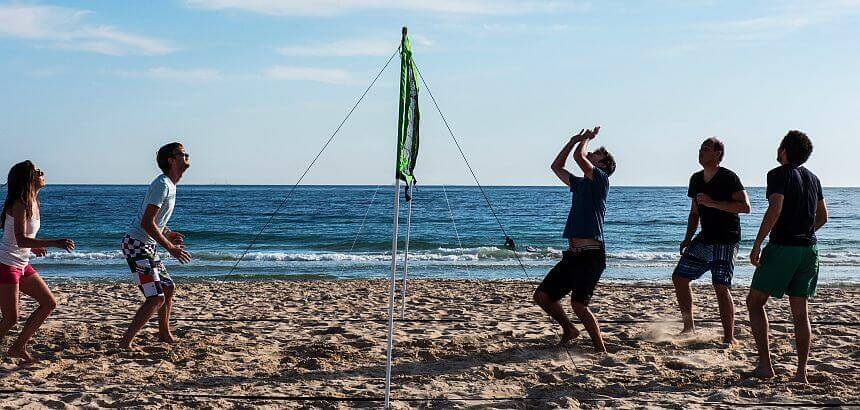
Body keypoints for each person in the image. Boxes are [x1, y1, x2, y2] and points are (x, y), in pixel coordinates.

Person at [747, 130, 827, 383]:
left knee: (755, 302)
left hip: (784, 248)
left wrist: (758, 243)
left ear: (783, 150)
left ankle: (765, 366)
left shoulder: (778, 173)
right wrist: (804, 232)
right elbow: (823, 216)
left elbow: (776, 207)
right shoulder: (814, 178)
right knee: (800, 313)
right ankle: (801, 373)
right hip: (809, 250)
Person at [534, 126, 616, 352]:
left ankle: (600, 348)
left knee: (579, 304)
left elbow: (579, 157)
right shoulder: (580, 184)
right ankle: (570, 329)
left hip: (592, 256)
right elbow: (556, 167)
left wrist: (586, 140)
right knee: (542, 296)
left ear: (604, 166)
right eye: (593, 150)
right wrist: (572, 140)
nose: (592, 153)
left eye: (597, 154)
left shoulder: (601, 180)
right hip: (572, 256)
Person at [672, 137, 750, 344]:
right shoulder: (696, 179)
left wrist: (714, 203)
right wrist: (687, 238)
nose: (701, 152)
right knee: (679, 278)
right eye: (700, 149)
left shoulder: (728, 177)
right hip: (705, 237)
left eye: (705, 149)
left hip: (726, 239)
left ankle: (729, 337)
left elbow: (745, 206)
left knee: (720, 286)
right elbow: (694, 213)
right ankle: (689, 328)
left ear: (717, 153)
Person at [119, 142, 191, 349]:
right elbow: (146, 222)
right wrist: (170, 247)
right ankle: (126, 342)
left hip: (146, 245)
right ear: (171, 160)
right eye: (182, 154)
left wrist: (168, 232)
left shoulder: (170, 184)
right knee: (156, 297)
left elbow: (155, 220)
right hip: (136, 244)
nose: (187, 156)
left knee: (168, 288)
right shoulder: (162, 184)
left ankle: (163, 333)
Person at [0, 161, 74, 362]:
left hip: (21, 264)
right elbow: (19, 239)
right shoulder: (20, 203)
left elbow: (18, 238)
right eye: (36, 171)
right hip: (6, 265)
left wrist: (33, 247)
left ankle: (17, 347)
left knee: (48, 303)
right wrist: (54, 243)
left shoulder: (33, 201)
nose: (42, 173)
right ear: (28, 179)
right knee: (10, 319)